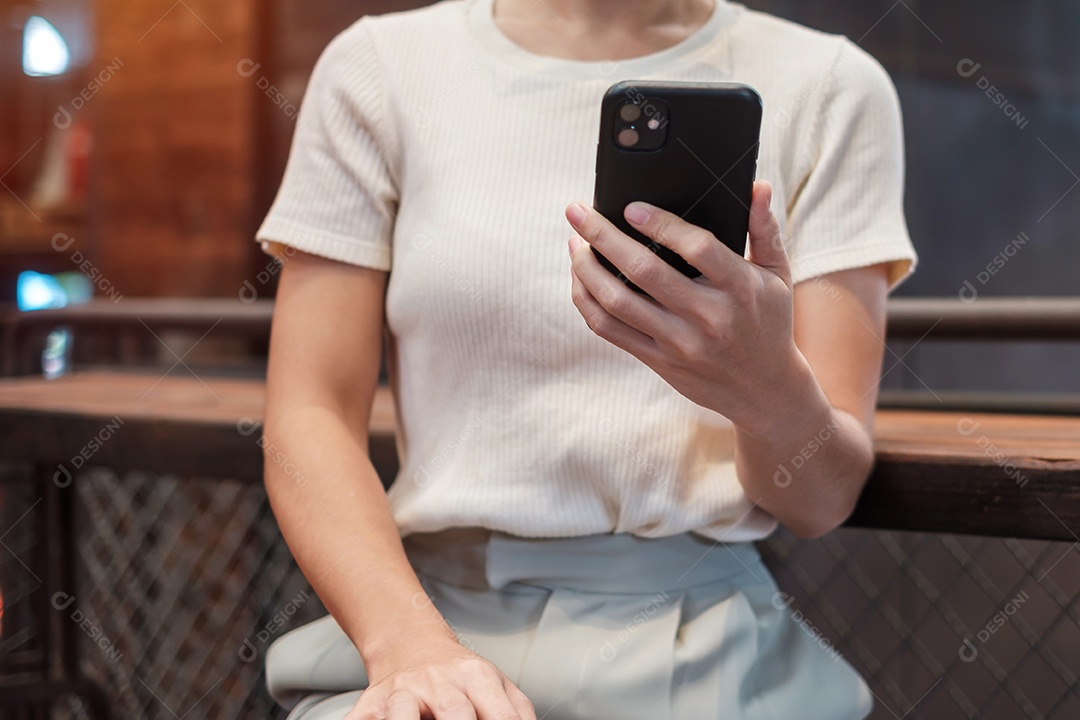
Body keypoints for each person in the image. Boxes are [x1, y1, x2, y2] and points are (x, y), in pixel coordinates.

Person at [254, 0, 918, 718]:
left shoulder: (832, 86)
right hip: (420, 624)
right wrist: (410, 649)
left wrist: (770, 391)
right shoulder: (379, 69)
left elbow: (821, 499)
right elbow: (308, 412)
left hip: (699, 650)